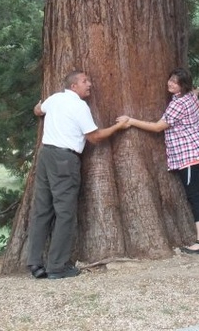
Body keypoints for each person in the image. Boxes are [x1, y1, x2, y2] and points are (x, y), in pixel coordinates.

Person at [117, 67, 199, 254]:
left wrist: (131, 121)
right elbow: (196, 91)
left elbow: (157, 127)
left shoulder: (178, 105)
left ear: (183, 86)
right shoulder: (191, 96)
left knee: (196, 198)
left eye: (176, 82)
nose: (171, 83)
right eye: (170, 79)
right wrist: (193, 90)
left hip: (188, 156)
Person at [27, 69, 128, 279]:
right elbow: (95, 137)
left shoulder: (55, 99)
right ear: (74, 86)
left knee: (42, 210)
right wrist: (118, 127)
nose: (89, 84)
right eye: (85, 81)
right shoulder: (79, 106)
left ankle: (35, 263)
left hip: (46, 155)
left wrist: (38, 106)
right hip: (65, 159)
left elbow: (38, 110)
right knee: (65, 212)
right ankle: (56, 266)